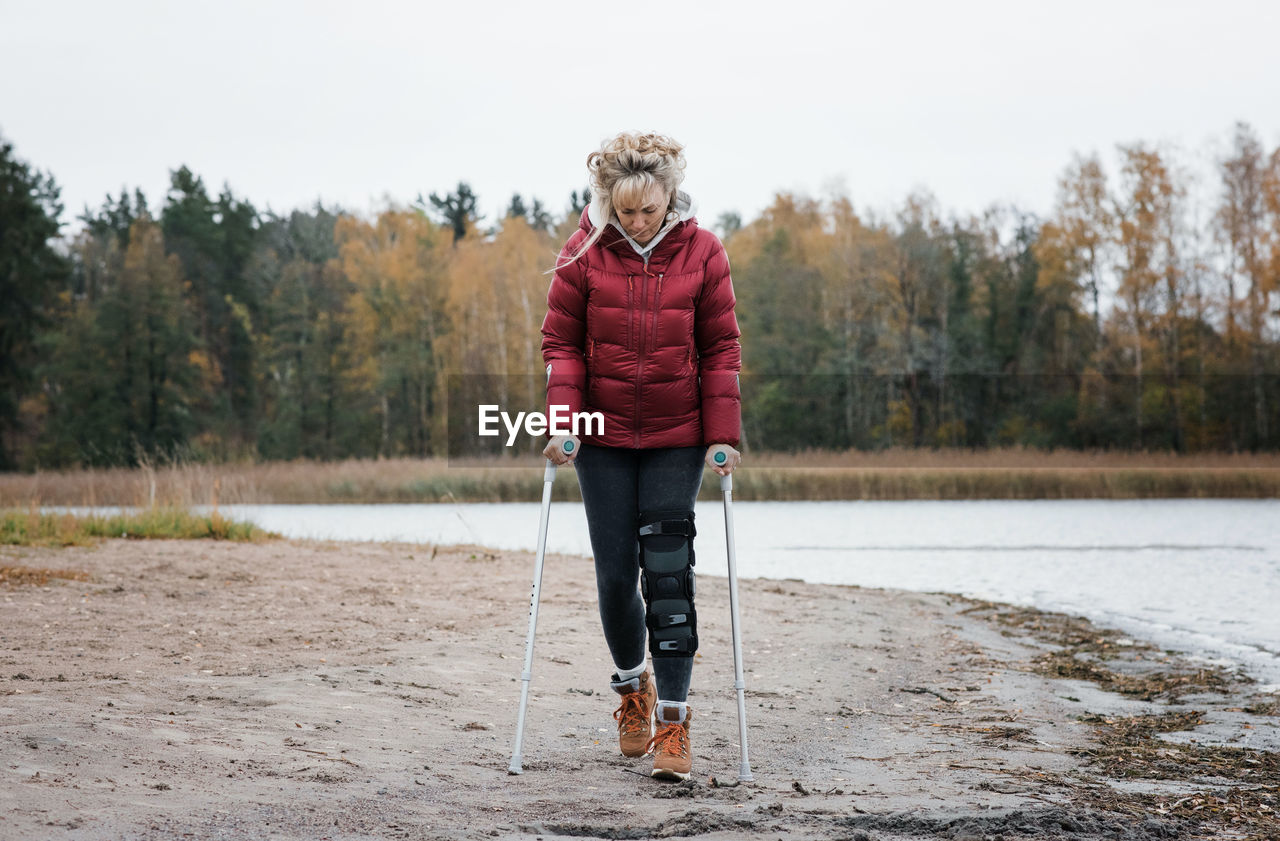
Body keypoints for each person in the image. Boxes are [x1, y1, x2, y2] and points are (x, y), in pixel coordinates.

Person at [540, 131, 742, 781]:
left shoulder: (705, 252)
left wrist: (722, 434)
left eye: (647, 210)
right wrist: (563, 422)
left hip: (676, 437)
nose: (636, 221)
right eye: (624, 210)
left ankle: (674, 723)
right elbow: (563, 345)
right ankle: (633, 689)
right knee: (613, 574)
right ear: (608, 203)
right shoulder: (584, 252)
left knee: (668, 572)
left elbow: (719, 349)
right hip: (600, 440)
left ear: (669, 197)